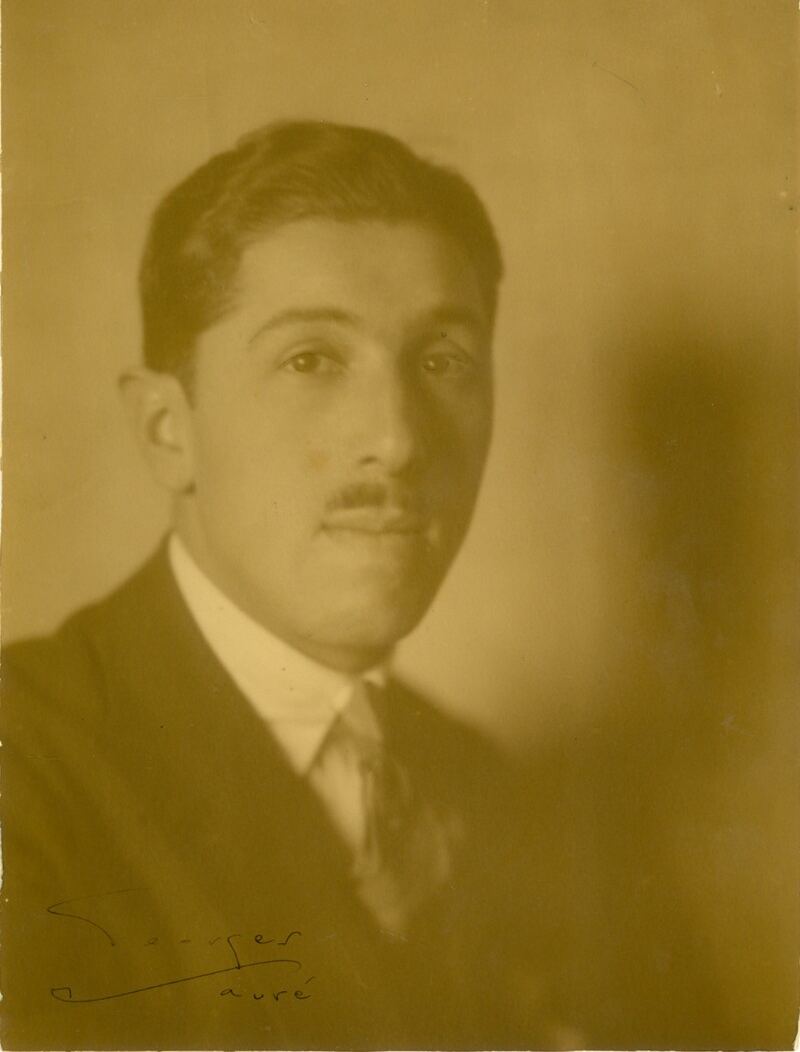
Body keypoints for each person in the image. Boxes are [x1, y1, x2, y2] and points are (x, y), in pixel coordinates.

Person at [1, 120, 577, 1050]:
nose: (398, 439)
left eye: (442, 360)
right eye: (311, 359)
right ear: (166, 430)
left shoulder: (486, 787)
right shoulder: (25, 769)